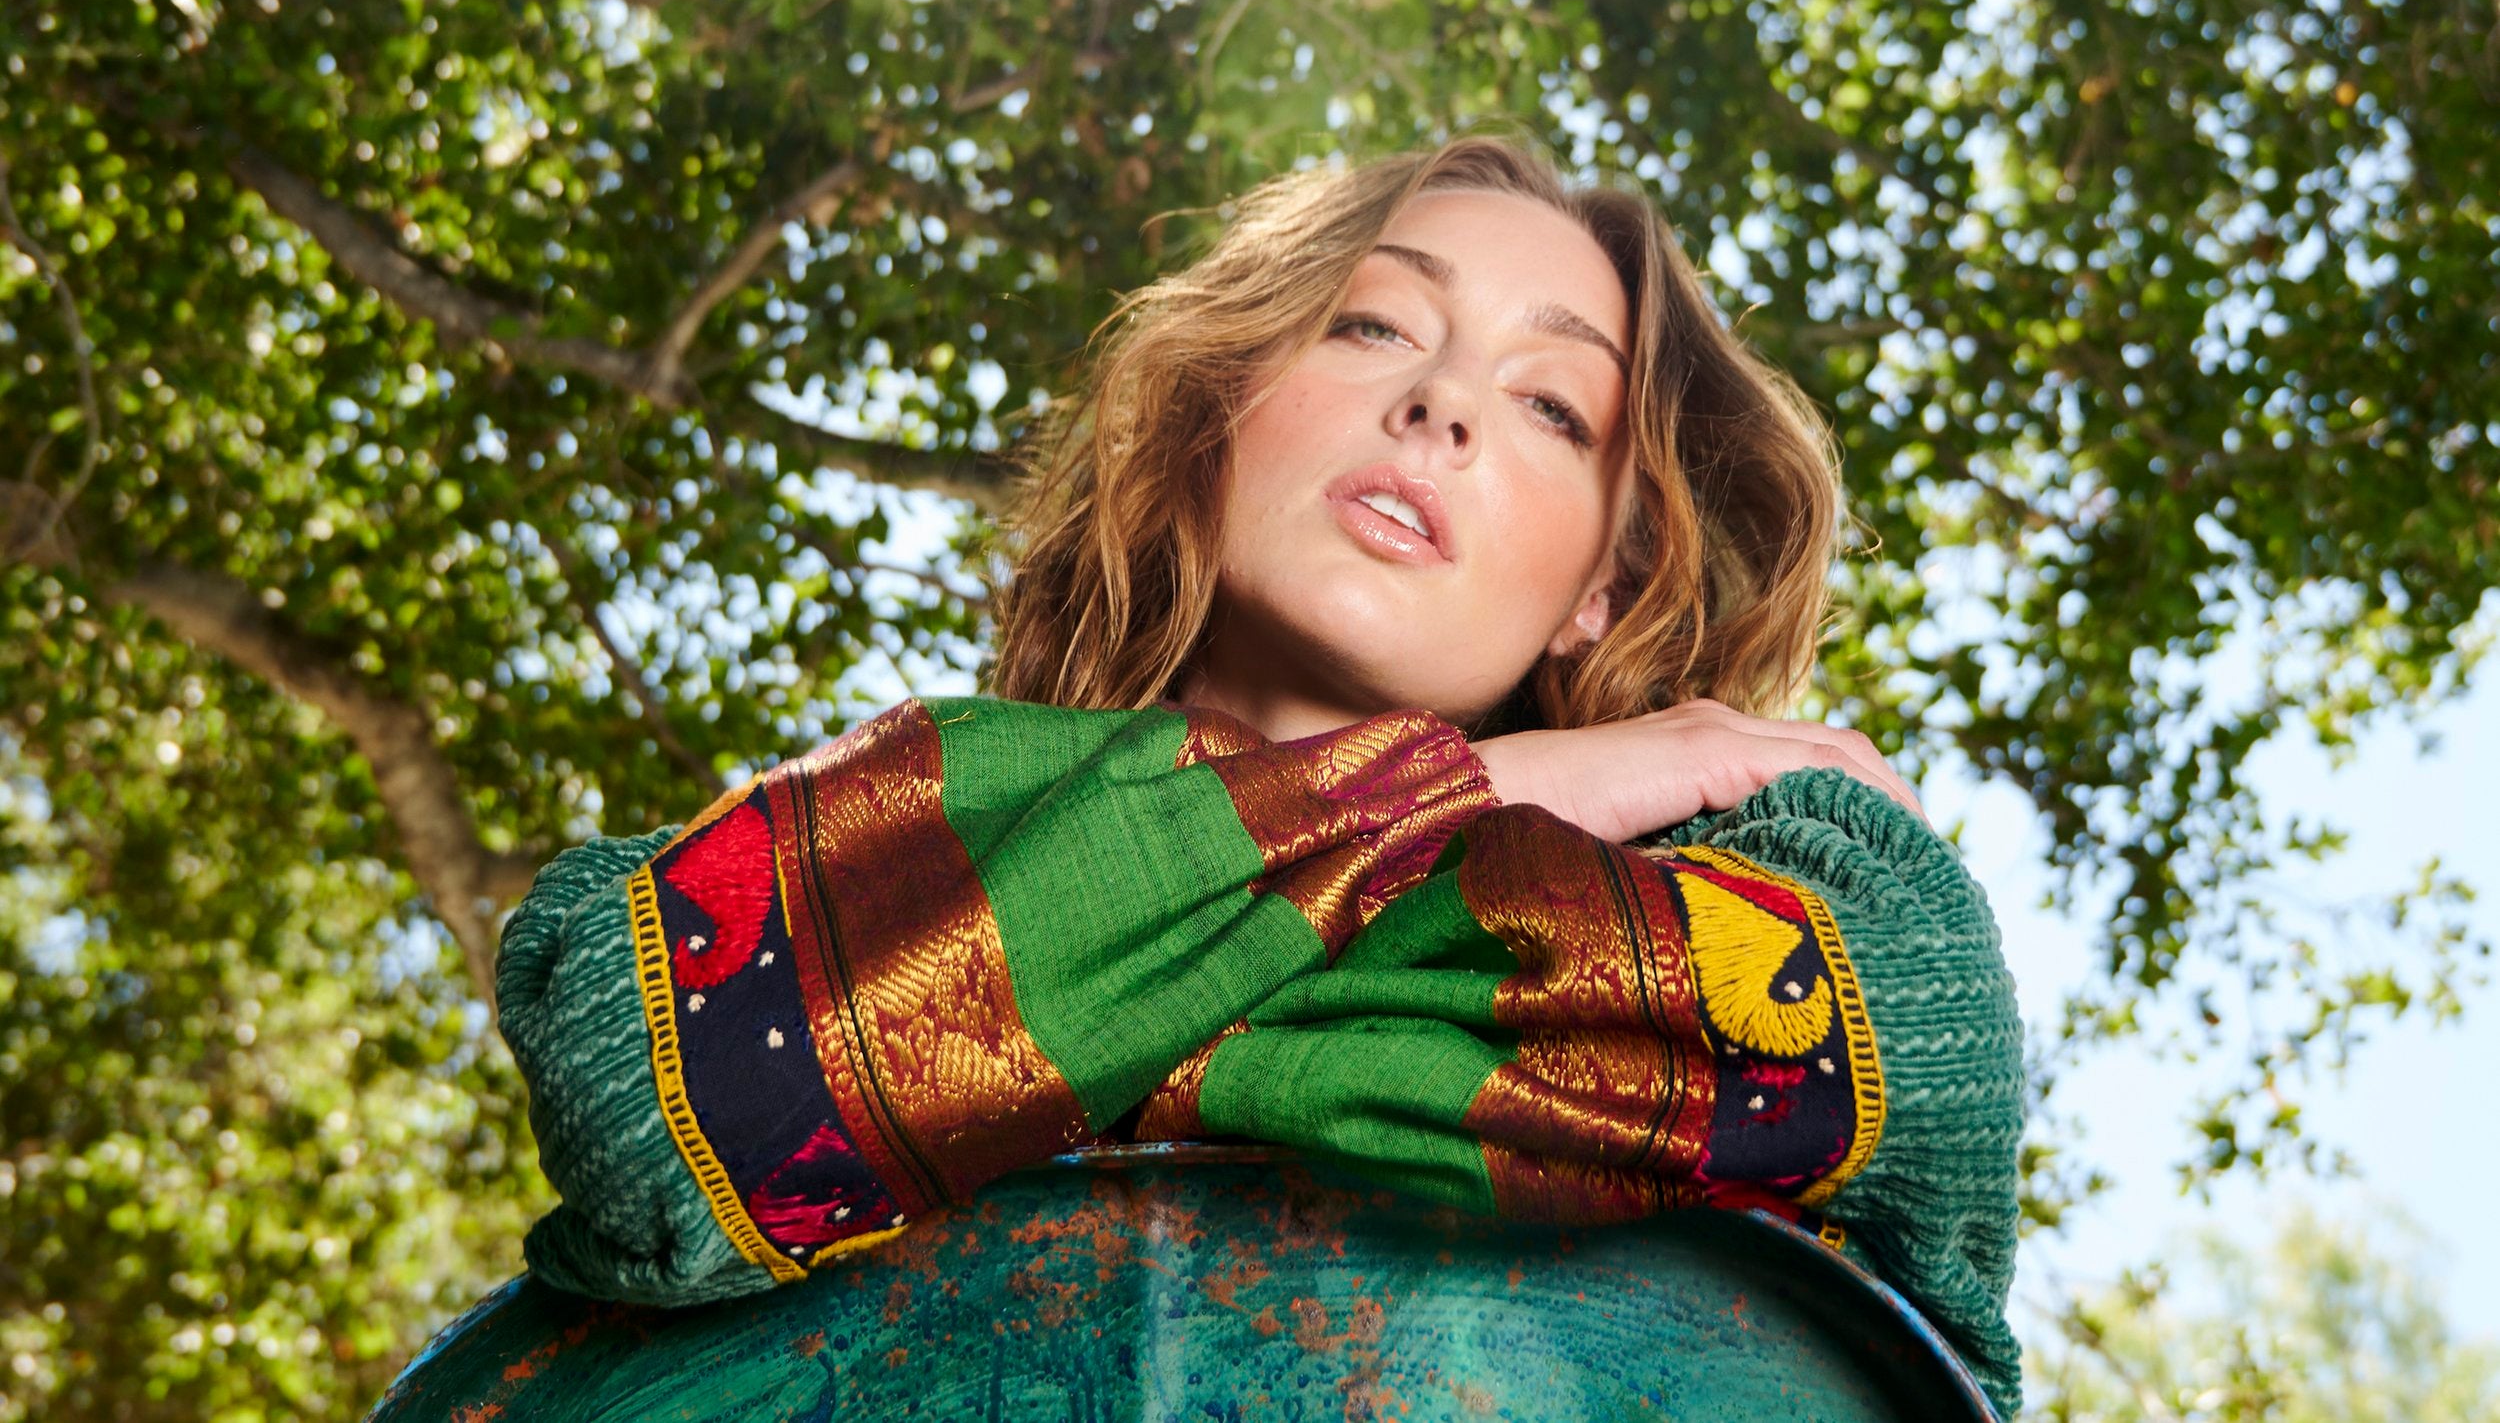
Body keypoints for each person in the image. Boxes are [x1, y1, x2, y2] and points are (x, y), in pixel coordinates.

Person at [498, 136, 2024, 1415]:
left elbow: (1873, 1089)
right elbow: (663, 1125)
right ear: (1218, 410)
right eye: (1371, 326)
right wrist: (1474, 796)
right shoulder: (920, 793)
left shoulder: (1828, 867)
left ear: (1601, 595)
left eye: (1555, 407)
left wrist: (990, 1046)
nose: (1441, 403)